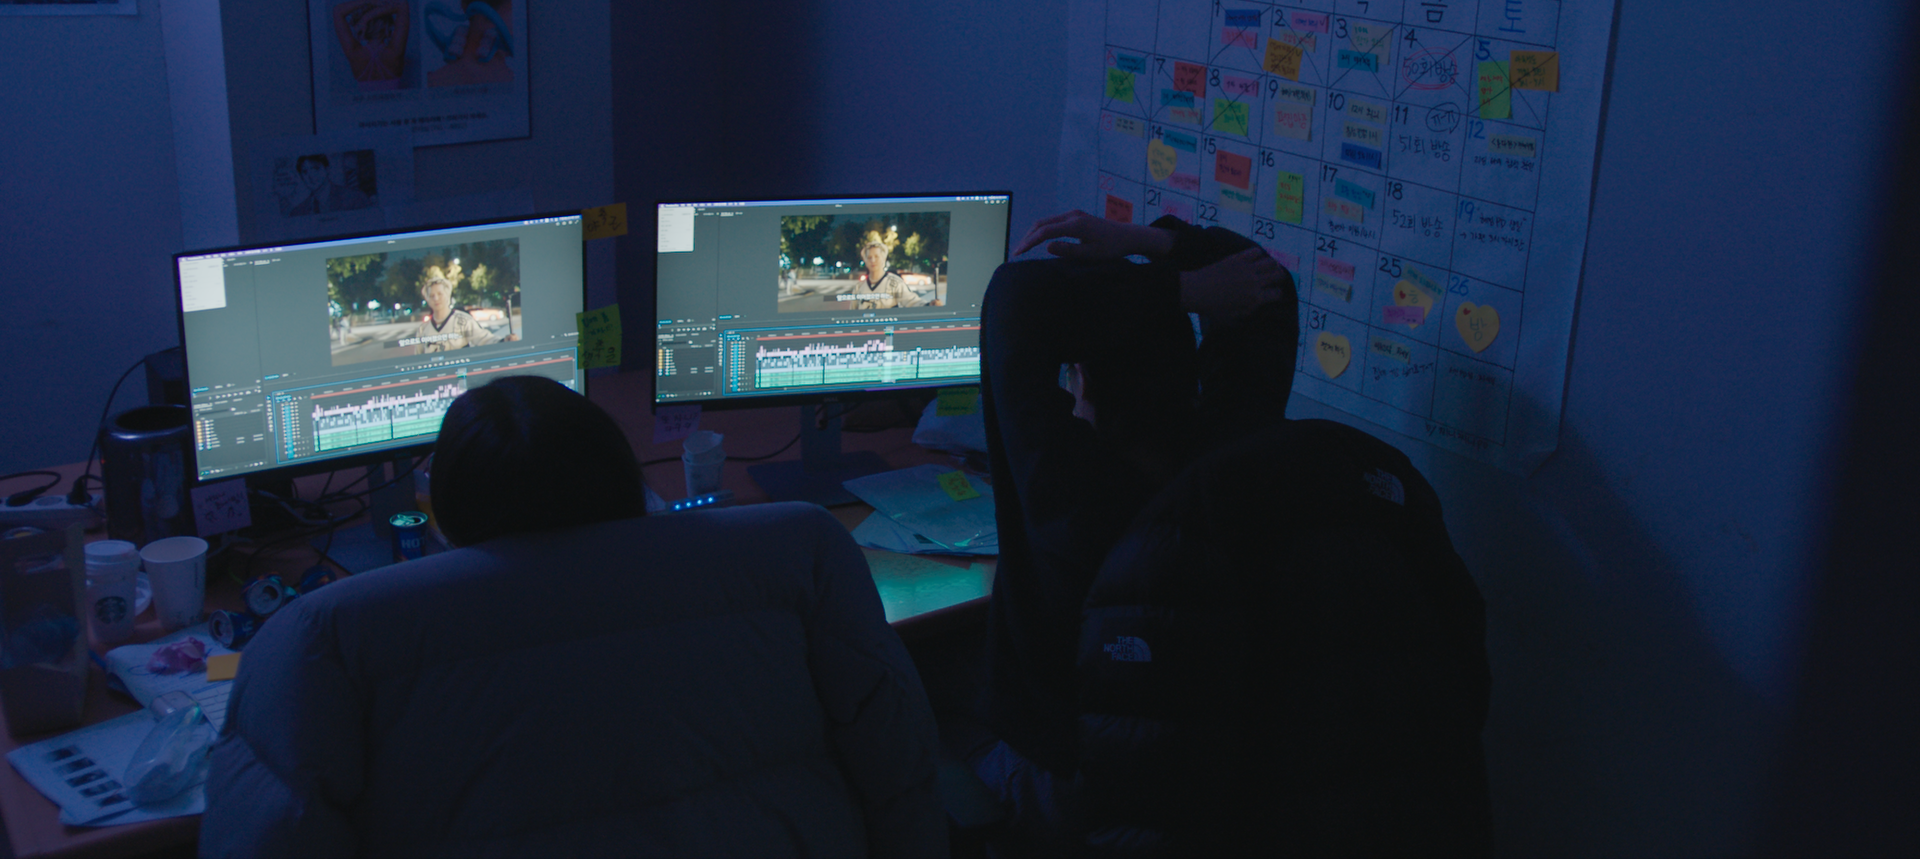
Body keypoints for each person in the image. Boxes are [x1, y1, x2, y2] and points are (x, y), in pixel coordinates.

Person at [201, 375, 946, 857]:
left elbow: (266, 837)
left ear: (448, 519)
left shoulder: (318, 638)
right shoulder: (802, 547)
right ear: (625, 482)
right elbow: (900, 761)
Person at [967, 209, 1492, 855]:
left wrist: (1183, 288)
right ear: (1189, 377)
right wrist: (1157, 251)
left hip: (1080, 788)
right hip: (1217, 797)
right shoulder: (1240, 461)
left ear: (1082, 380)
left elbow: (1013, 299)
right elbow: (1266, 287)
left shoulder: (1064, 497)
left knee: (944, 733)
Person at [407, 276, 506, 352]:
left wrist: (504, 341)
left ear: (448, 295)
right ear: (427, 299)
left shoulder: (464, 321)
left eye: (440, 294)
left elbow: (484, 339)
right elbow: (419, 358)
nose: (436, 298)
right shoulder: (423, 330)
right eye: (431, 295)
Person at [851, 240, 941, 310]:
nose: (873, 260)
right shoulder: (859, 287)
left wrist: (929, 305)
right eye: (869, 257)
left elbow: (911, 301)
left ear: (884, 258)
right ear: (865, 260)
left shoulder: (895, 283)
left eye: (876, 256)